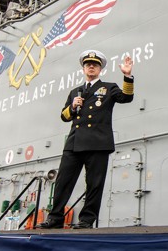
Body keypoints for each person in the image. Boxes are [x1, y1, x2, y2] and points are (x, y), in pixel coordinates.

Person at [37, 50, 134, 229]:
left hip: (98, 142)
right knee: (63, 182)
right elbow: (64, 116)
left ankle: (87, 219)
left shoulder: (109, 88)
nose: (91, 67)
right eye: (88, 64)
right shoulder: (75, 92)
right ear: (83, 68)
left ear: (100, 69)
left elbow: (126, 98)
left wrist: (127, 76)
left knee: (94, 184)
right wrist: (73, 107)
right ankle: (55, 218)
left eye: (95, 65)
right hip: (74, 143)